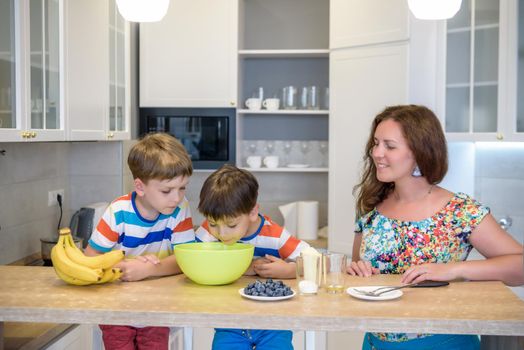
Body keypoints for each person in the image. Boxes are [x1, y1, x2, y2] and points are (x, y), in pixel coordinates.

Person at [346, 105, 524, 350]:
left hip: (444, 343)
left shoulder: (459, 211)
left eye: (389, 145)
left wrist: (453, 270)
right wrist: (357, 270)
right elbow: (357, 277)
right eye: (375, 143)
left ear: (420, 152)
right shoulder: (371, 206)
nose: (376, 153)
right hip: (375, 343)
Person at [85, 132, 195, 350]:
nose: (177, 197)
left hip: (158, 308)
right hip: (116, 310)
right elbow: (91, 257)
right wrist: (126, 268)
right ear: (140, 187)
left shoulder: (180, 210)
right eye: (167, 190)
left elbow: (186, 259)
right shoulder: (118, 212)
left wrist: (148, 270)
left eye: (182, 188)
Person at [196, 164, 310, 350]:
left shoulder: (274, 235)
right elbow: (196, 262)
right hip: (228, 324)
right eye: (213, 223)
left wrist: (289, 270)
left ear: (252, 212)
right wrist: (248, 268)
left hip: (274, 325)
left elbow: (319, 261)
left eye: (231, 225)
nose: (222, 234)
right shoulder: (208, 231)